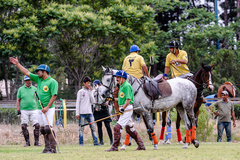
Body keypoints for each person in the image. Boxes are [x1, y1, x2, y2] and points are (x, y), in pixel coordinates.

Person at [9, 57, 58, 153]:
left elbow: (54, 96)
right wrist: (17, 64)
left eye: (39, 71)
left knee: (48, 128)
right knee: (43, 129)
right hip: (39, 108)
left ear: (44, 71)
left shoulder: (53, 82)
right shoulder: (38, 80)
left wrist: (47, 107)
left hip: (49, 109)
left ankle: (53, 148)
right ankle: (46, 148)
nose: (37, 73)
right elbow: (26, 72)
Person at [105, 70, 145, 152]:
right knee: (129, 129)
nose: (116, 79)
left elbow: (128, 99)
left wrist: (123, 109)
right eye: (116, 77)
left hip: (127, 108)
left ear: (123, 78)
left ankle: (115, 147)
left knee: (117, 127)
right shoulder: (122, 86)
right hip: (124, 107)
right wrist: (113, 99)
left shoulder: (126, 86)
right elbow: (122, 99)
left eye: (118, 77)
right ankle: (141, 145)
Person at [17, 75, 40, 147]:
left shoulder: (35, 89)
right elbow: (18, 100)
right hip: (24, 110)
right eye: (27, 80)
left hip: (34, 109)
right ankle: (27, 142)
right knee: (24, 126)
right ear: (24, 81)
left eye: (30, 80)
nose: (29, 81)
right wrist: (18, 109)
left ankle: (36, 142)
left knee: (37, 125)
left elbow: (38, 99)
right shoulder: (20, 89)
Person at [76, 76, 99, 146]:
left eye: (90, 83)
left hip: (89, 112)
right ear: (84, 83)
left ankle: (96, 142)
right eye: (87, 83)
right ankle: (81, 143)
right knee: (81, 129)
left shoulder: (90, 91)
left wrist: (91, 92)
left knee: (93, 127)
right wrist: (77, 113)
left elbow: (93, 102)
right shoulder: (80, 92)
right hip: (82, 113)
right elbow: (78, 103)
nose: (89, 85)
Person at [93, 79, 113, 145]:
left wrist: (107, 102)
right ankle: (101, 141)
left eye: (97, 84)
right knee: (99, 126)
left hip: (104, 108)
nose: (96, 86)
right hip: (97, 109)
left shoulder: (104, 90)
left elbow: (110, 97)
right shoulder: (94, 91)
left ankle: (111, 140)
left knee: (107, 125)